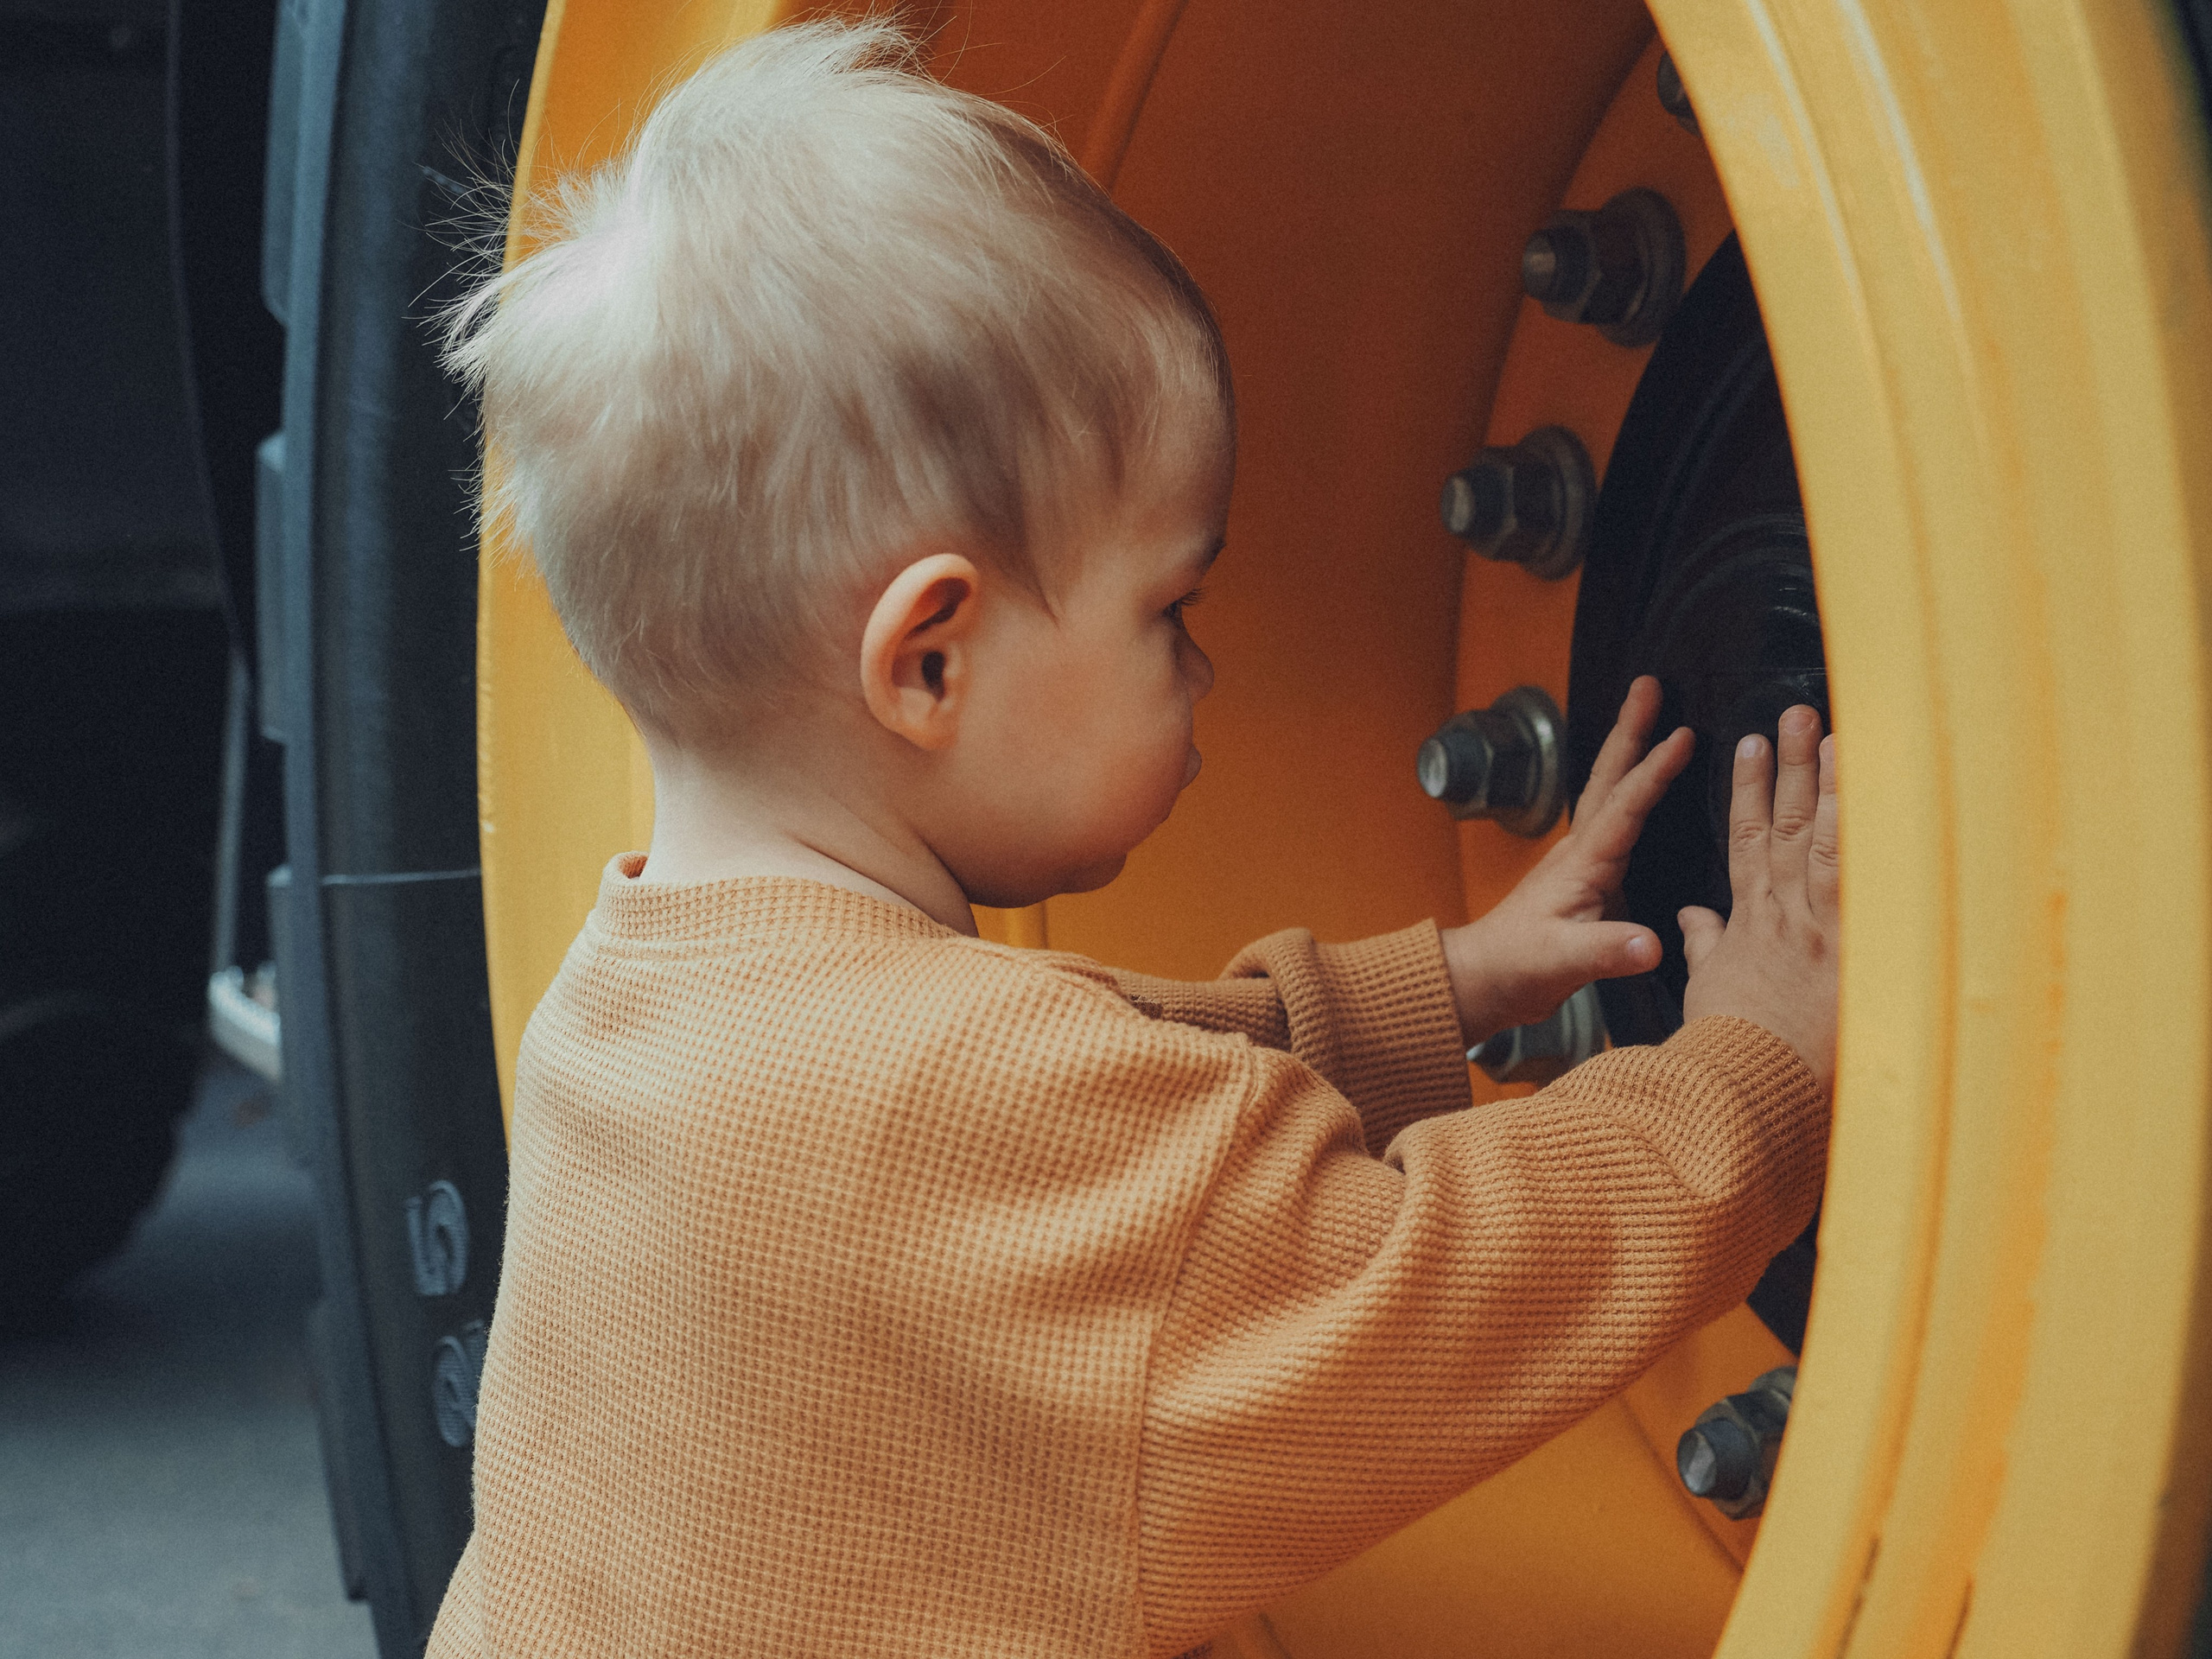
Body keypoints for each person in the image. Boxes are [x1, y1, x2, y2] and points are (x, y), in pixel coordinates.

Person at [425, 18, 1837, 1658]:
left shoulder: (629, 1008)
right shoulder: (953, 1099)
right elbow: (1428, 1291)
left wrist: (1449, 985)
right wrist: (1752, 1073)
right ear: (930, 661)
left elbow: (1087, 1121)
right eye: (1172, 608)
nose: (1204, 668)